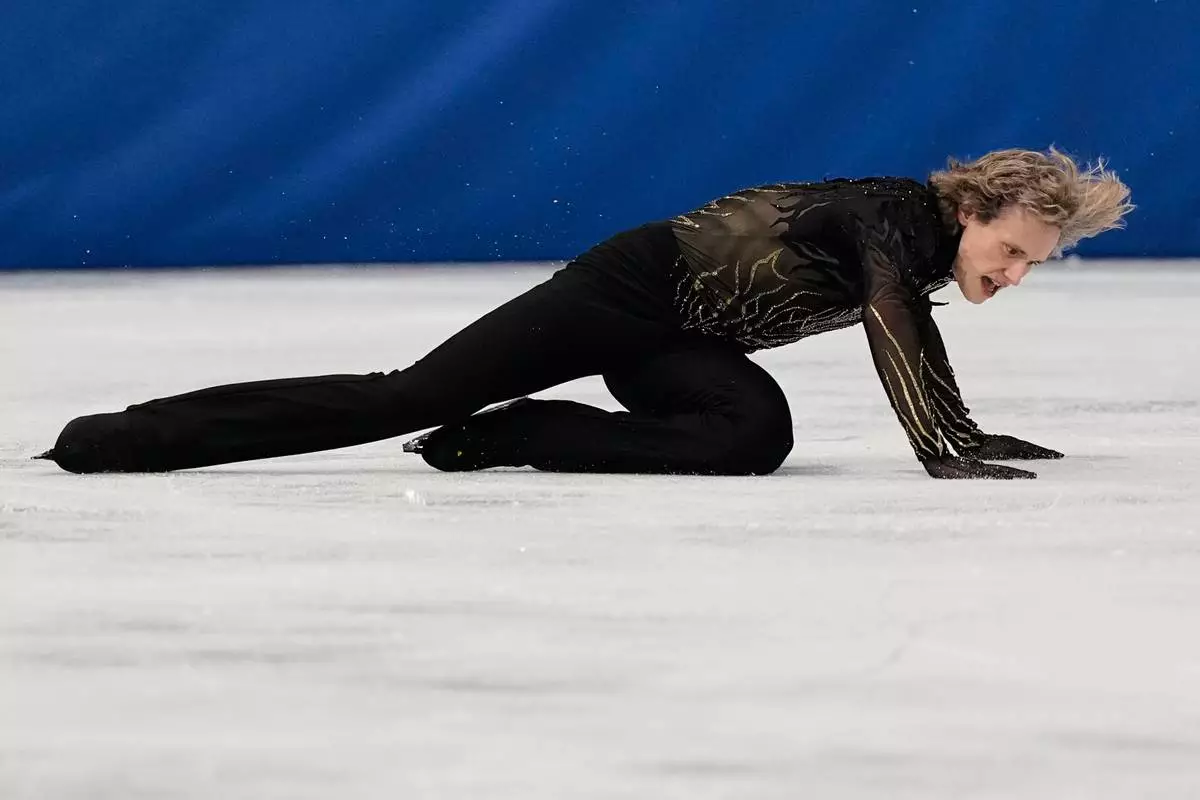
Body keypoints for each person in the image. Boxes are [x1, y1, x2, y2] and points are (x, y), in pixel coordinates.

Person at [37, 147, 1133, 479]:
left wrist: (956, 430)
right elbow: (898, 315)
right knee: (402, 393)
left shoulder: (931, 248)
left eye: (1032, 265)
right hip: (625, 287)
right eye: (1014, 250)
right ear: (973, 207)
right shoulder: (890, 221)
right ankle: (116, 438)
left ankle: (509, 435)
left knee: (751, 434)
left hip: (684, 339)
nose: (1014, 272)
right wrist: (946, 443)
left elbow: (912, 316)